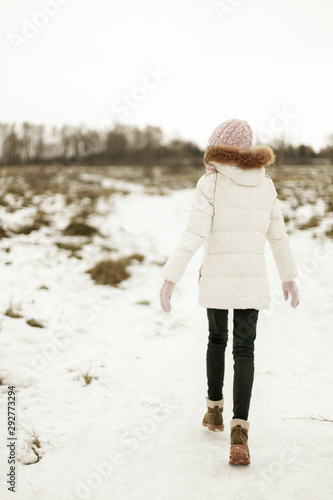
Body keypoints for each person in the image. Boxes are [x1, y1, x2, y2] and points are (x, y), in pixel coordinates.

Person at [159, 119, 299, 465]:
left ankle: (214, 411)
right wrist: (289, 277)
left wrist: (169, 278)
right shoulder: (265, 185)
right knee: (244, 350)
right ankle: (240, 432)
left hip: (218, 280)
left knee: (216, 340)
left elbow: (193, 235)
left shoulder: (211, 183)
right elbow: (278, 237)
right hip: (251, 281)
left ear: (217, 148)